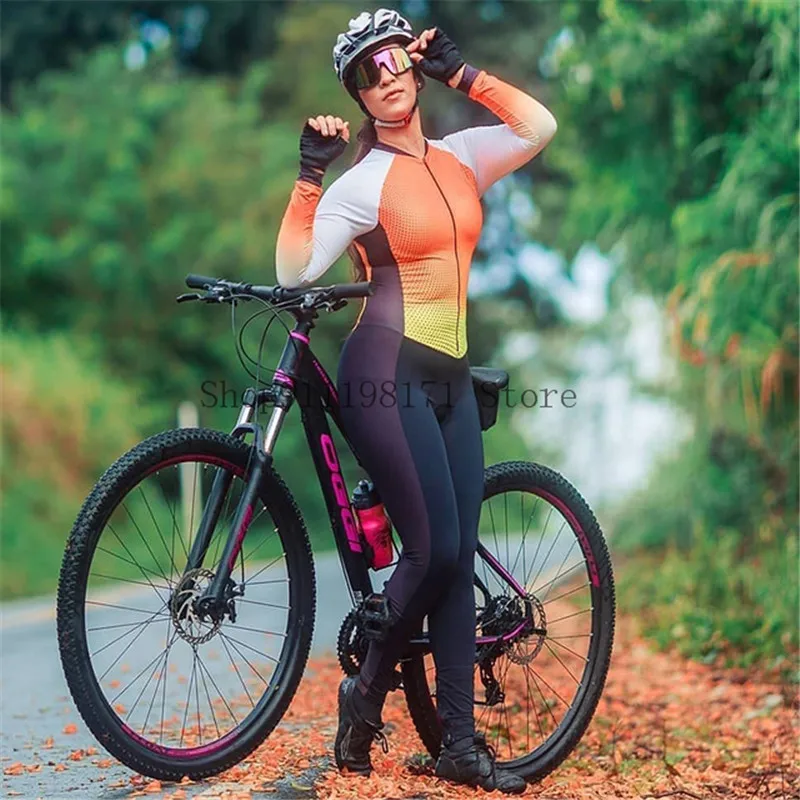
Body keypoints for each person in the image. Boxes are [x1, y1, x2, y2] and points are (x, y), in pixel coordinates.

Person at [275, 8, 557, 795]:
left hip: (452, 381)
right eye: (366, 74)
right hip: (386, 371)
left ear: (414, 65)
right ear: (359, 96)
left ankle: (459, 747)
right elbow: (295, 270)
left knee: (457, 557)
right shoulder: (363, 183)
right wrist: (309, 174)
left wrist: (465, 74)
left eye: (395, 59)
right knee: (431, 551)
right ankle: (364, 698)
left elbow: (537, 126)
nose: (386, 77)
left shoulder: (463, 157)